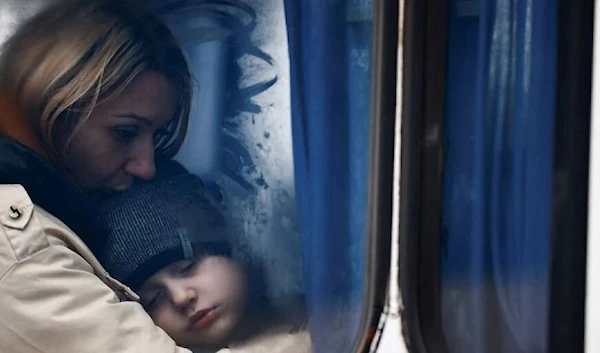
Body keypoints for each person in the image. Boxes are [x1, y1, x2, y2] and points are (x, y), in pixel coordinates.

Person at [0, 0, 196, 352]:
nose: (146, 168)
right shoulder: (13, 241)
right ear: (54, 109)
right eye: (124, 133)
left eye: (157, 136)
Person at [97, 166, 312, 353]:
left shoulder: (334, 315)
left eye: (188, 268)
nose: (181, 297)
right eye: (153, 301)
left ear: (234, 250)